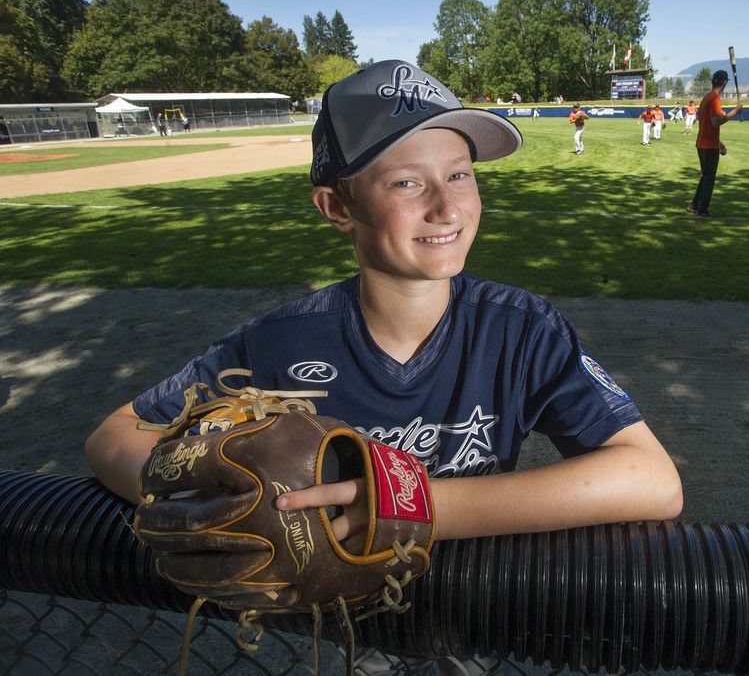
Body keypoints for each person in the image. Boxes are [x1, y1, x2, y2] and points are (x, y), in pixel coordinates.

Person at [86, 58, 682, 581]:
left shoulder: (521, 328)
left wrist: (409, 507)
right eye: (406, 182)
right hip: (345, 621)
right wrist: (228, 498)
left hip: (481, 595)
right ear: (338, 207)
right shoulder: (281, 341)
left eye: (459, 174)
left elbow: (653, 480)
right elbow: (114, 436)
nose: (446, 206)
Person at [687, 70, 742, 218]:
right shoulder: (715, 99)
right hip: (708, 145)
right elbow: (716, 121)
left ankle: (694, 205)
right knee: (709, 178)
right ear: (724, 83)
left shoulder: (707, 97)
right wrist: (735, 112)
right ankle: (701, 210)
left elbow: (708, 125)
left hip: (704, 142)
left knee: (705, 176)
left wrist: (719, 143)